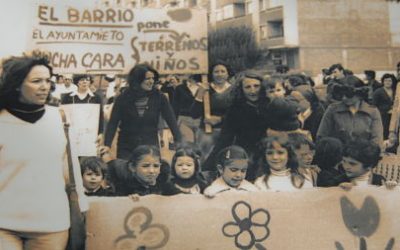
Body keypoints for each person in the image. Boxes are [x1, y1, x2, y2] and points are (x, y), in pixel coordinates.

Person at [0, 56, 83, 250]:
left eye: (48, 80)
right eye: (36, 81)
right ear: (16, 85)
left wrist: (81, 208)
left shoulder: (60, 118)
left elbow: (70, 170)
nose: (45, 86)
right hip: (4, 225)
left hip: (52, 226)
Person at [104, 64, 182, 160]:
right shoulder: (122, 98)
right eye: (147, 79)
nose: (151, 81)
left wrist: (179, 141)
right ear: (137, 80)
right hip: (127, 147)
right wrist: (107, 145)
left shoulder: (160, 97)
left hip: (150, 146)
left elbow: (171, 120)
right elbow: (113, 122)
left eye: (153, 78)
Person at [202, 70, 267, 180]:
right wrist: (207, 167)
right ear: (241, 89)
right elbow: (224, 139)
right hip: (248, 157)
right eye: (248, 87)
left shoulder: (270, 105)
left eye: (256, 86)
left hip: (272, 154)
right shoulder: (235, 110)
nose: (253, 90)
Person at [317, 75, 383, 147]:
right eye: (341, 94)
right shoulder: (332, 110)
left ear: (360, 94)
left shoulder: (372, 112)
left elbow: (377, 141)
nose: (344, 98)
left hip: (364, 156)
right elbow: (321, 137)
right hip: (338, 155)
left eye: (348, 95)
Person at [190, 61, 235, 162]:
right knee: (206, 161)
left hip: (228, 132)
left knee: (227, 161)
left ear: (228, 74)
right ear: (211, 74)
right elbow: (194, 114)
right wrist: (200, 93)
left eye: (223, 71)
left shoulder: (234, 91)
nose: (220, 74)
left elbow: (237, 113)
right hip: (207, 133)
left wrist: (220, 119)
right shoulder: (204, 89)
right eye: (216, 71)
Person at [100, 145, 167, 196]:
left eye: (156, 166)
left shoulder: (163, 180)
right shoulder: (123, 186)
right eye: (145, 166)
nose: (151, 171)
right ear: (132, 167)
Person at [373, 73, 398, 140]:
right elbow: (374, 105)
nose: (388, 82)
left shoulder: (396, 91)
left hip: (393, 117)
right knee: (383, 132)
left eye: (390, 81)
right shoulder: (378, 92)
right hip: (382, 116)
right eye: (386, 81)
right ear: (383, 82)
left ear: (392, 82)